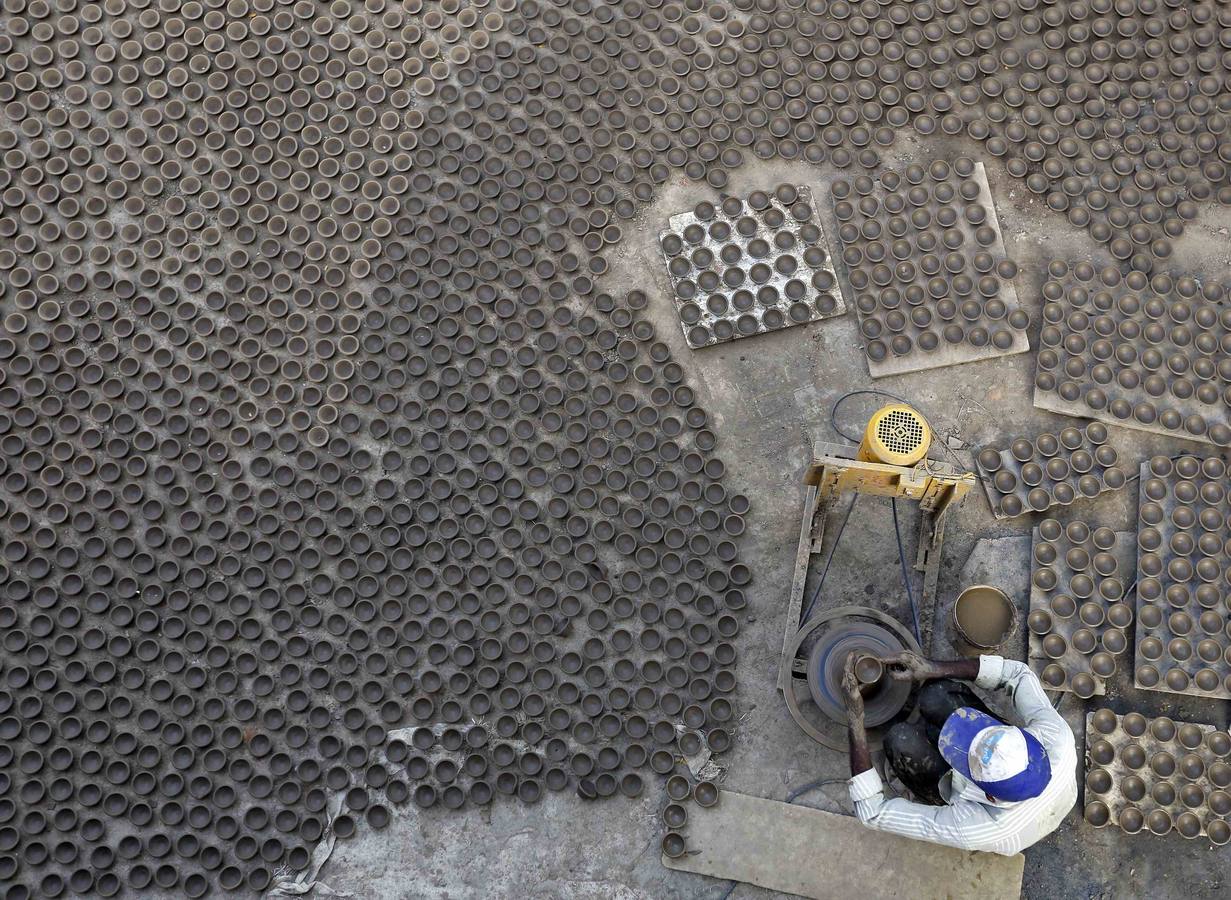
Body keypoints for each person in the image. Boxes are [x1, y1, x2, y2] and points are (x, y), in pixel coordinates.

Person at [841, 650, 1077, 856]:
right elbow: (1018, 673)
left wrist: (855, 718)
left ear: (990, 796)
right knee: (935, 694)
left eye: (965, 758)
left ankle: (933, 793)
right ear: (1025, 738)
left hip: (1008, 820)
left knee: (899, 739)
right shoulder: (1057, 740)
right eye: (982, 730)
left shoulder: (974, 827)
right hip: (1031, 790)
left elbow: (871, 812)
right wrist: (935, 667)